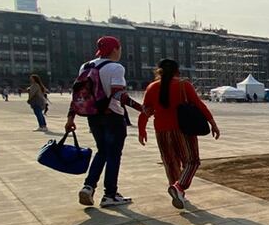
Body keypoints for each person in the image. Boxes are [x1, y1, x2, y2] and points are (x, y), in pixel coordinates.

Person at [65, 36, 142, 208]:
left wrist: (71, 117)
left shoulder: (85, 66)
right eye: (119, 48)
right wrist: (141, 108)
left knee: (102, 152)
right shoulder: (116, 68)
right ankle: (110, 194)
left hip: (93, 116)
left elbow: (79, 95)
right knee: (114, 155)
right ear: (115, 49)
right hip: (112, 116)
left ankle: (89, 186)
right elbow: (117, 94)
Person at [138, 59, 220, 209]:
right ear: (177, 71)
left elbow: (145, 111)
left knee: (170, 162)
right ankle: (179, 187)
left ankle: (177, 193)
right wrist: (212, 123)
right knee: (192, 161)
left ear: (158, 71)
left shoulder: (151, 87)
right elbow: (199, 104)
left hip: (161, 130)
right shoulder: (184, 85)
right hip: (183, 129)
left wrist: (141, 129)